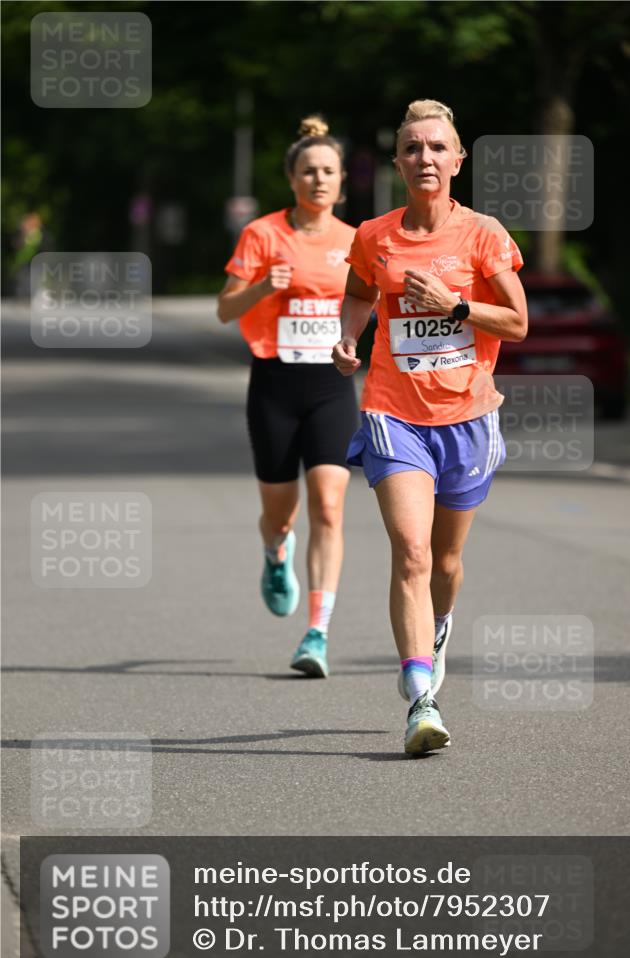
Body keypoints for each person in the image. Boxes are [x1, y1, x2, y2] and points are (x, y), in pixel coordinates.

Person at [332, 99, 527, 754]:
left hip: (468, 415)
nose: (425, 159)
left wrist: (456, 305)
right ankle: (420, 697)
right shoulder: (374, 234)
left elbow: (518, 322)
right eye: (412, 148)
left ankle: (438, 626)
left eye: (437, 148)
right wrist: (347, 338)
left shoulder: (483, 234)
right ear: (396, 161)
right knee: (411, 551)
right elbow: (360, 292)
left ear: (457, 159)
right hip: (392, 409)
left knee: (445, 561)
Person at [217, 116, 357, 678]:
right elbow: (225, 310)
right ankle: (277, 553)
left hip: (331, 384)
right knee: (280, 515)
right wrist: (260, 287)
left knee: (328, 504)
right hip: (274, 382)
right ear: (292, 179)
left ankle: (317, 633)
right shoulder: (262, 235)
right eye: (308, 171)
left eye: (328, 171)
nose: (318, 179)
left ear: (342, 181)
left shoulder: (356, 240)